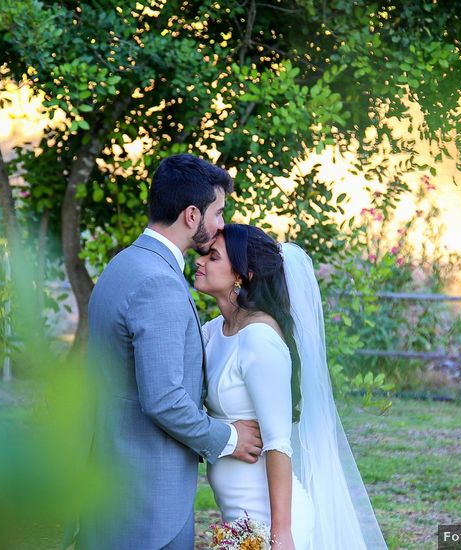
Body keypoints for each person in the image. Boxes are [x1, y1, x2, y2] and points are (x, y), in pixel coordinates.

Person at [80, 154, 263, 549]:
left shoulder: (123, 265)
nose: (221, 225)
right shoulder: (157, 283)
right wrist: (229, 438)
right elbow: (164, 400)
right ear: (192, 215)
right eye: (218, 213)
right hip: (149, 505)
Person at [194, 224, 387, 550]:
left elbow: (278, 444)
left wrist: (281, 533)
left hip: (270, 518)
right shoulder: (214, 332)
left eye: (213, 257)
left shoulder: (259, 339)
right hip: (237, 519)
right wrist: (223, 430)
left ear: (244, 275)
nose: (200, 262)